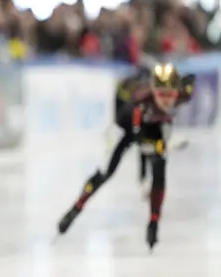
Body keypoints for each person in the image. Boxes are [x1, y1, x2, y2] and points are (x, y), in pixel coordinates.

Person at [58, 63, 195, 250]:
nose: (166, 100)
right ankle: (75, 209)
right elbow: (140, 141)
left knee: (160, 168)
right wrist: (160, 146)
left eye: (170, 95)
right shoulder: (141, 101)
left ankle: (154, 222)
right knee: (106, 172)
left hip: (154, 126)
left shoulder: (182, 93)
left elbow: (190, 80)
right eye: (162, 94)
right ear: (153, 91)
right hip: (125, 127)